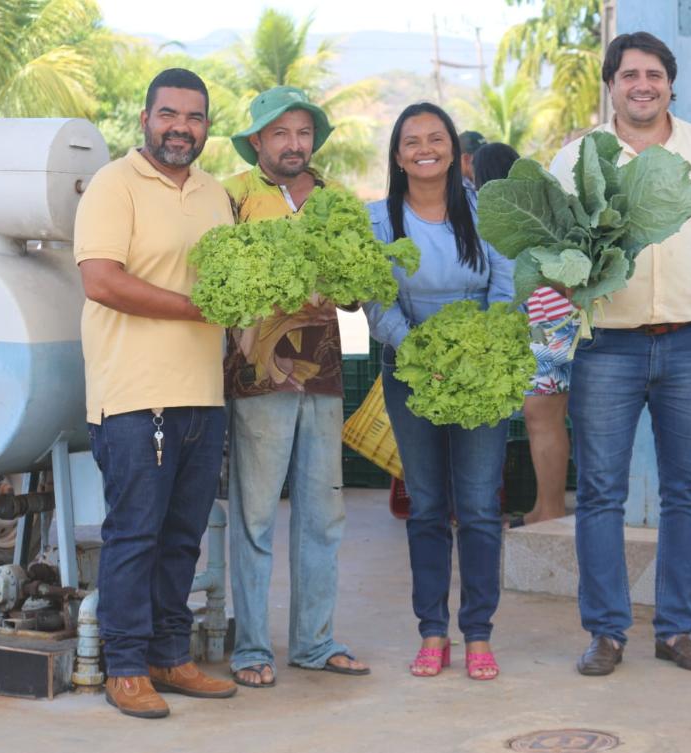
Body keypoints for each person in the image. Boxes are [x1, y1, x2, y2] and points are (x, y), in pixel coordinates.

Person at [548, 32, 691, 677]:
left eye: (653, 74)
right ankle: (606, 633)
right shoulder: (579, 157)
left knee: (686, 494)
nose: (641, 85)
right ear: (612, 85)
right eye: (628, 75)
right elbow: (552, 261)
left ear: (671, 83)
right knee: (598, 494)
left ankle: (677, 630)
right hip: (605, 349)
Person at [74, 68, 238, 718]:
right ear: (146, 118)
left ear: (206, 126)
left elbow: (230, 283)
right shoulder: (115, 185)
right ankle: (125, 665)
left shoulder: (213, 192)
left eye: (194, 117)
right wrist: (196, 307)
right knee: (135, 534)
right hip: (133, 398)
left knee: (182, 536)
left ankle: (172, 655)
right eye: (169, 114)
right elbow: (102, 281)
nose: (182, 127)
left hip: (202, 394)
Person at [222, 86, 369, 689]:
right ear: (257, 140)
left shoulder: (335, 200)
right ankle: (251, 648)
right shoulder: (230, 197)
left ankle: (314, 642)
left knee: (323, 515)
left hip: (324, 377)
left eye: (303, 133)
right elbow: (217, 280)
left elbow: (358, 289)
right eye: (279, 133)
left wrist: (346, 279)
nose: (293, 144)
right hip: (257, 377)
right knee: (255, 516)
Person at [364, 103, 514, 680]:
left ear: (454, 149)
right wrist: (422, 354)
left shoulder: (486, 210)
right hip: (411, 370)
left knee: (478, 507)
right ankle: (432, 629)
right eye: (411, 141)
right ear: (398, 157)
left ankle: (478, 633)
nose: (424, 148)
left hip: (484, 370)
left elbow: (505, 284)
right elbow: (376, 302)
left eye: (436, 138)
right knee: (426, 507)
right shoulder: (378, 219)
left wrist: (477, 351)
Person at [473, 143, 576, 527]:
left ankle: (549, 509)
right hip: (564, 315)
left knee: (542, 415)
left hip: (545, 320)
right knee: (550, 416)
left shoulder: (501, 213)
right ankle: (546, 507)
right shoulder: (539, 206)